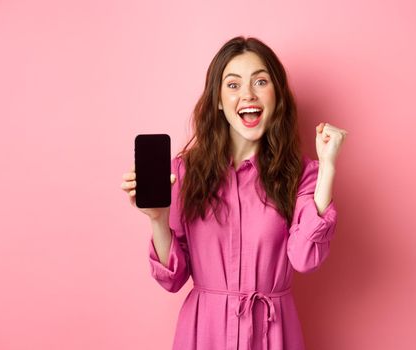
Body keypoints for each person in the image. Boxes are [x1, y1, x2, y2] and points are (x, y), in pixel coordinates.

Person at [121, 36, 348, 350]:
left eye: (260, 81)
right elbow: (173, 280)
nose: (247, 94)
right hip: (205, 334)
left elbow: (305, 258)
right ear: (217, 99)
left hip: (273, 335)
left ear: (277, 94)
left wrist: (328, 167)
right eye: (233, 85)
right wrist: (158, 219)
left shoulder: (301, 174)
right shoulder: (184, 172)